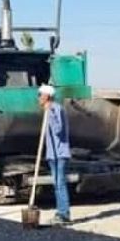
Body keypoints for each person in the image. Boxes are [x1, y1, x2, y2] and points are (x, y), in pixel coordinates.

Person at [38, 84, 71, 224]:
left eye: (39, 95)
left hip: (60, 153)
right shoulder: (49, 109)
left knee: (60, 183)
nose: (38, 98)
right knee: (56, 184)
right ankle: (60, 212)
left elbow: (58, 130)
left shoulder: (56, 108)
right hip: (52, 153)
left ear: (46, 96)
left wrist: (49, 113)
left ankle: (64, 214)